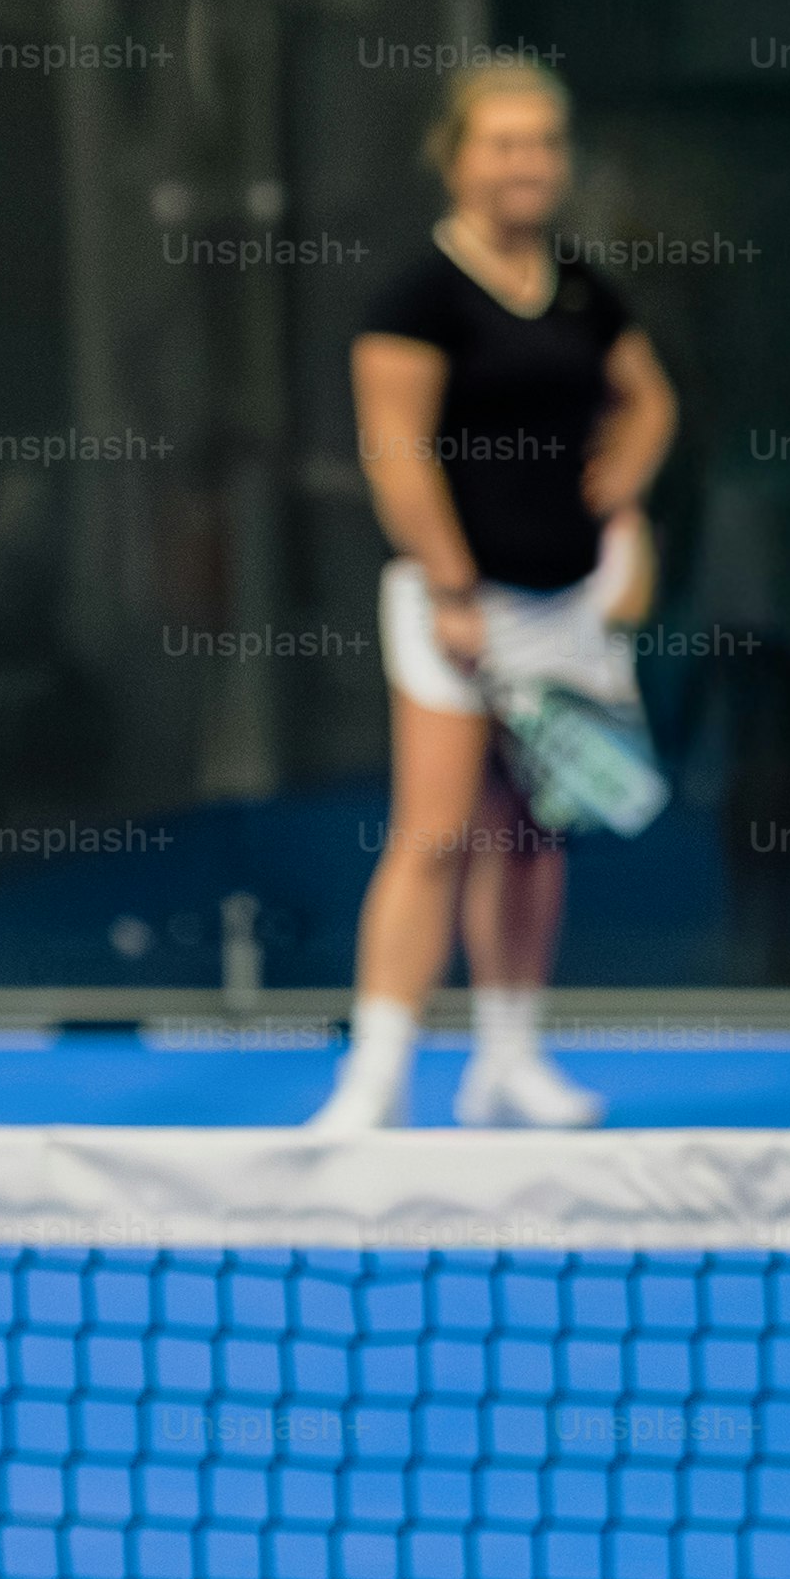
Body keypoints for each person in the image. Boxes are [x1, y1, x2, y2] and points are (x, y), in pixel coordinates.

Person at [308, 57, 674, 1136]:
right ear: (457, 157)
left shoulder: (582, 287)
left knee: (534, 837)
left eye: (544, 144)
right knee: (434, 834)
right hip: (455, 607)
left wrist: (621, 492)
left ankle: (508, 1061)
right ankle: (376, 1076)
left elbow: (649, 401)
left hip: (573, 607)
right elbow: (396, 451)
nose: (528, 163)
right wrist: (455, 587)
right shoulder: (416, 298)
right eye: (505, 143)